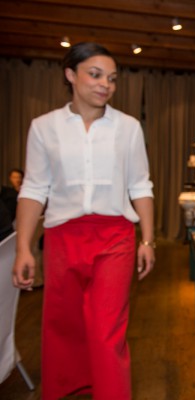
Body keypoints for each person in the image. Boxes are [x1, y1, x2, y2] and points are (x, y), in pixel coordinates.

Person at [12, 42, 155, 399]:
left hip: (115, 237)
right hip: (62, 238)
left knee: (107, 330)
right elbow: (34, 188)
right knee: (64, 326)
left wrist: (147, 240)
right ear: (70, 75)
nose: (105, 84)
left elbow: (140, 185)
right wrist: (23, 248)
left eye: (112, 78)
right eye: (95, 74)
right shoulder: (44, 127)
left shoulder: (128, 127)